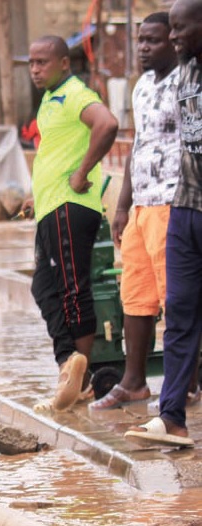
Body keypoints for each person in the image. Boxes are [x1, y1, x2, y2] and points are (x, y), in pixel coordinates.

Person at [91, 12, 199, 410]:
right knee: (136, 297)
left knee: (179, 300)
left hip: (177, 203)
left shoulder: (187, 82)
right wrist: (122, 206)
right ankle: (134, 381)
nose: (143, 48)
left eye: (153, 40)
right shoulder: (141, 87)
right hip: (142, 206)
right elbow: (138, 146)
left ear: (174, 40)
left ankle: (185, 384)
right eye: (140, 41)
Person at [23, 35, 119, 412]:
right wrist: (38, 194)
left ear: (64, 63)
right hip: (52, 206)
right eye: (31, 63)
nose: (35, 69)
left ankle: (75, 377)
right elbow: (59, 150)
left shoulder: (74, 93)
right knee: (44, 286)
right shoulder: (50, 99)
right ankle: (70, 365)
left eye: (42, 62)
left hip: (70, 205)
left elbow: (107, 124)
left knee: (71, 288)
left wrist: (82, 173)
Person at [124, 0, 202, 448]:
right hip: (185, 208)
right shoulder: (185, 72)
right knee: (180, 315)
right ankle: (171, 417)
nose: (173, 38)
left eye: (179, 29)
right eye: (168, 30)